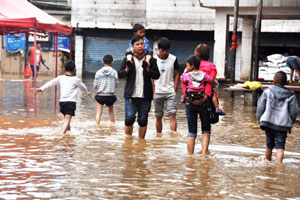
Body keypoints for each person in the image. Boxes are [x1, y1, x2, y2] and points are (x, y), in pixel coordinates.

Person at [118, 35, 160, 139]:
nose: (140, 46)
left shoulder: (151, 60)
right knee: (129, 118)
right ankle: (128, 141)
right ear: (133, 46)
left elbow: (157, 75)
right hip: (130, 95)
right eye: (138, 44)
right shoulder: (128, 59)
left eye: (142, 44)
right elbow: (120, 74)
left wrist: (148, 69)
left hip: (145, 96)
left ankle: (141, 142)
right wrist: (127, 69)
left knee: (143, 120)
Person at [37, 60, 91, 134]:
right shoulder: (76, 79)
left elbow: (51, 83)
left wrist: (42, 89)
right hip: (70, 103)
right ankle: (62, 135)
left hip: (62, 103)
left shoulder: (61, 78)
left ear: (64, 69)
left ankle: (68, 134)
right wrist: (87, 92)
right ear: (74, 69)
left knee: (67, 119)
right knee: (67, 120)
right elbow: (83, 87)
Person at [257, 71, 298, 163]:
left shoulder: (267, 92)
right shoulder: (291, 96)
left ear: (274, 81)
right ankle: (279, 167)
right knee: (280, 147)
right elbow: (294, 111)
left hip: (267, 122)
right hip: (282, 125)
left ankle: (267, 163)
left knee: (269, 144)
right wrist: (290, 122)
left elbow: (260, 107)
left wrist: (260, 119)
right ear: (286, 83)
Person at [182, 56, 217, 155]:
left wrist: (185, 72)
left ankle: (190, 155)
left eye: (187, 66)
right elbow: (211, 80)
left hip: (190, 103)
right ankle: (204, 153)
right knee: (206, 129)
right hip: (203, 102)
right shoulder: (204, 75)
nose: (186, 67)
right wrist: (215, 82)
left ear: (192, 66)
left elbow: (182, 80)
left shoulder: (187, 75)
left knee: (191, 131)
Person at [153, 37, 180, 134]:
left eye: (167, 50)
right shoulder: (153, 59)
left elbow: (177, 74)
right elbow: (151, 76)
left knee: (172, 115)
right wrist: (153, 90)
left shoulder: (173, 59)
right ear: (158, 48)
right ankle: (158, 136)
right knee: (158, 116)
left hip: (170, 91)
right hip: (157, 92)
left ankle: (173, 138)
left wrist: (175, 89)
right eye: (162, 50)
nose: (165, 52)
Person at [194, 44, 224, 113]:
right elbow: (209, 82)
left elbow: (185, 80)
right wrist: (207, 95)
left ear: (197, 53)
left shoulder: (193, 64)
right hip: (206, 93)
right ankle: (217, 108)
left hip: (193, 93)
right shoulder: (212, 66)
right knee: (213, 94)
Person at [93, 54, 118, 127]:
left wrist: (98, 89)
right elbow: (116, 84)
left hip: (100, 95)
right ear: (112, 62)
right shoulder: (114, 72)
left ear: (102, 62)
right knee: (111, 112)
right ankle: (112, 127)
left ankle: (97, 126)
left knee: (99, 112)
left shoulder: (98, 72)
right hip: (110, 95)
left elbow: (95, 85)